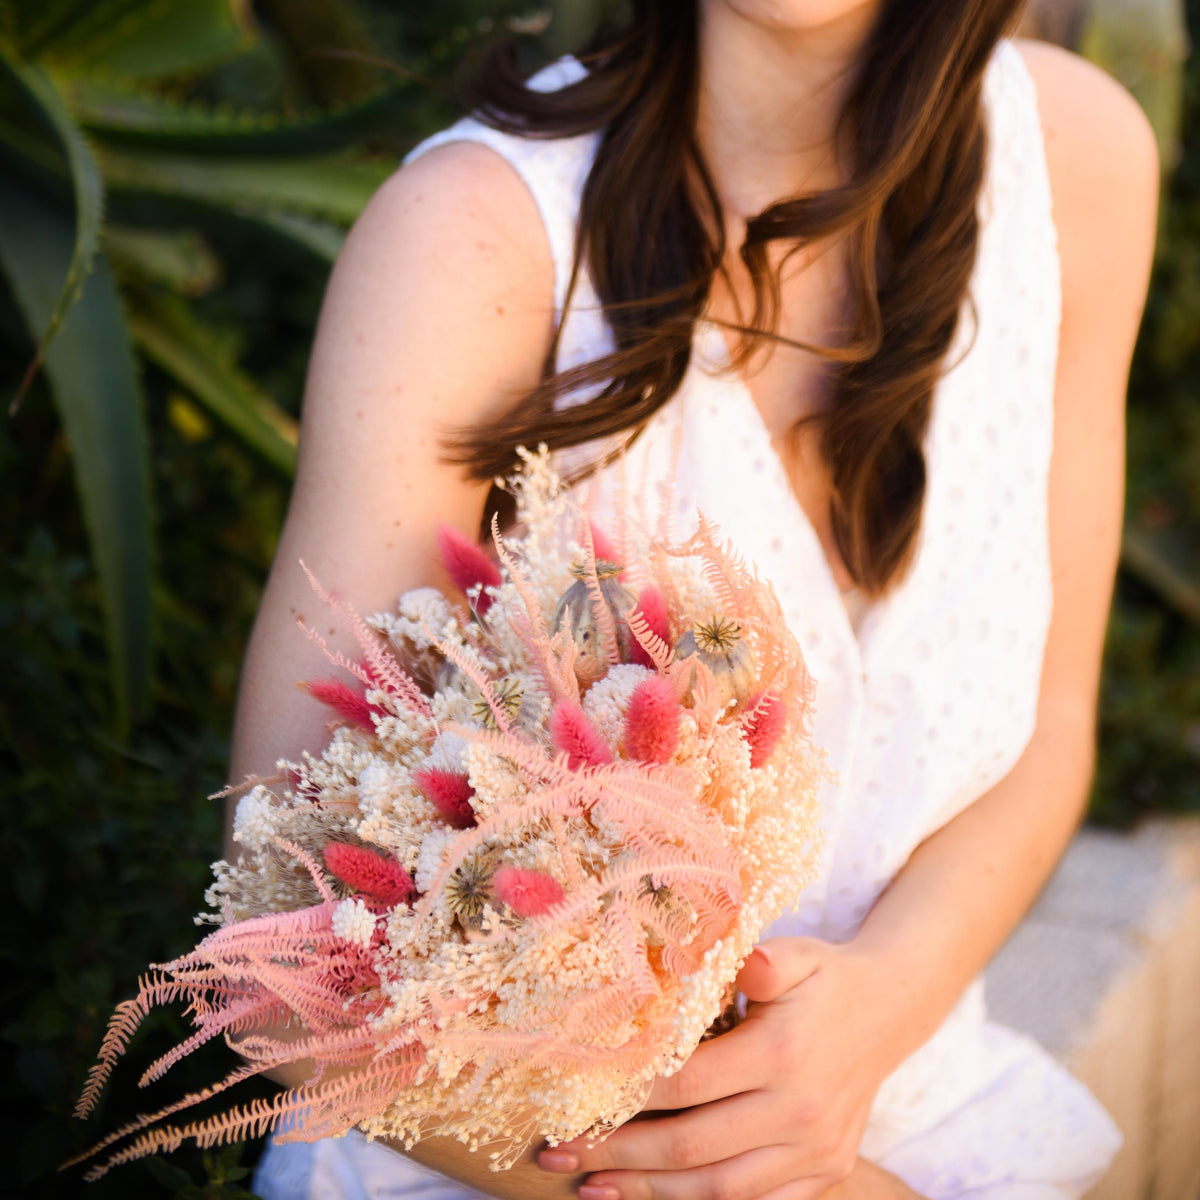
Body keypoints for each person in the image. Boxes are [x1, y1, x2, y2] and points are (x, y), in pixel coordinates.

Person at [233, 1, 1159, 1197]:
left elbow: (1051, 733)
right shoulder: (474, 241)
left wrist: (872, 1018)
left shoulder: (1077, 158)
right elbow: (284, 986)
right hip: (507, 1166)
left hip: (914, 1113)